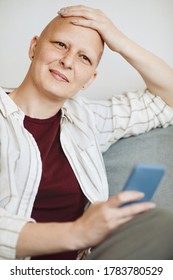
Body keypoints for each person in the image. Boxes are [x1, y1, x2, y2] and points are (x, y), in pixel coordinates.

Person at [1, 4, 173, 260]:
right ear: (34, 47)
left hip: (85, 267)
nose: (68, 61)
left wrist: (119, 40)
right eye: (60, 44)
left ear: (90, 79)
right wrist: (79, 232)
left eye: (84, 57)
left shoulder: (86, 119)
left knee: (161, 223)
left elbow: (167, 99)